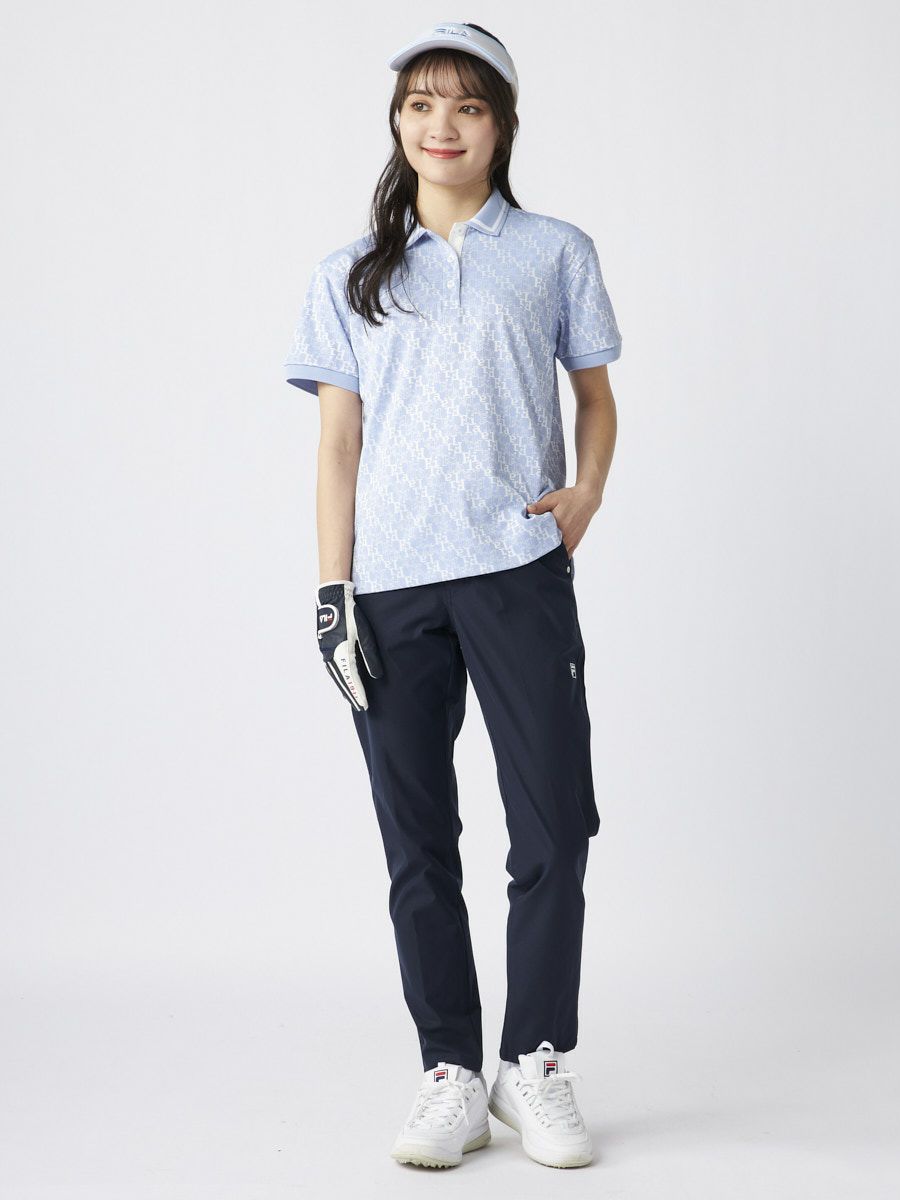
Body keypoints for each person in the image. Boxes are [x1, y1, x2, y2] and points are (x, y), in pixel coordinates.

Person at [283, 21, 622, 1170]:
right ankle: (451, 1073)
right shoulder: (349, 275)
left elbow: (596, 396)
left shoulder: (555, 252)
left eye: (468, 106)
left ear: (501, 126)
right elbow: (338, 444)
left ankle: (534, 1062)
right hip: (391, 590)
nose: (443, 126)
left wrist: (583, 494)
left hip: (517, 571)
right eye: (422, 104)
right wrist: (332, 592)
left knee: (555, 823)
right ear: (397, 122)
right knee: (417, 840)